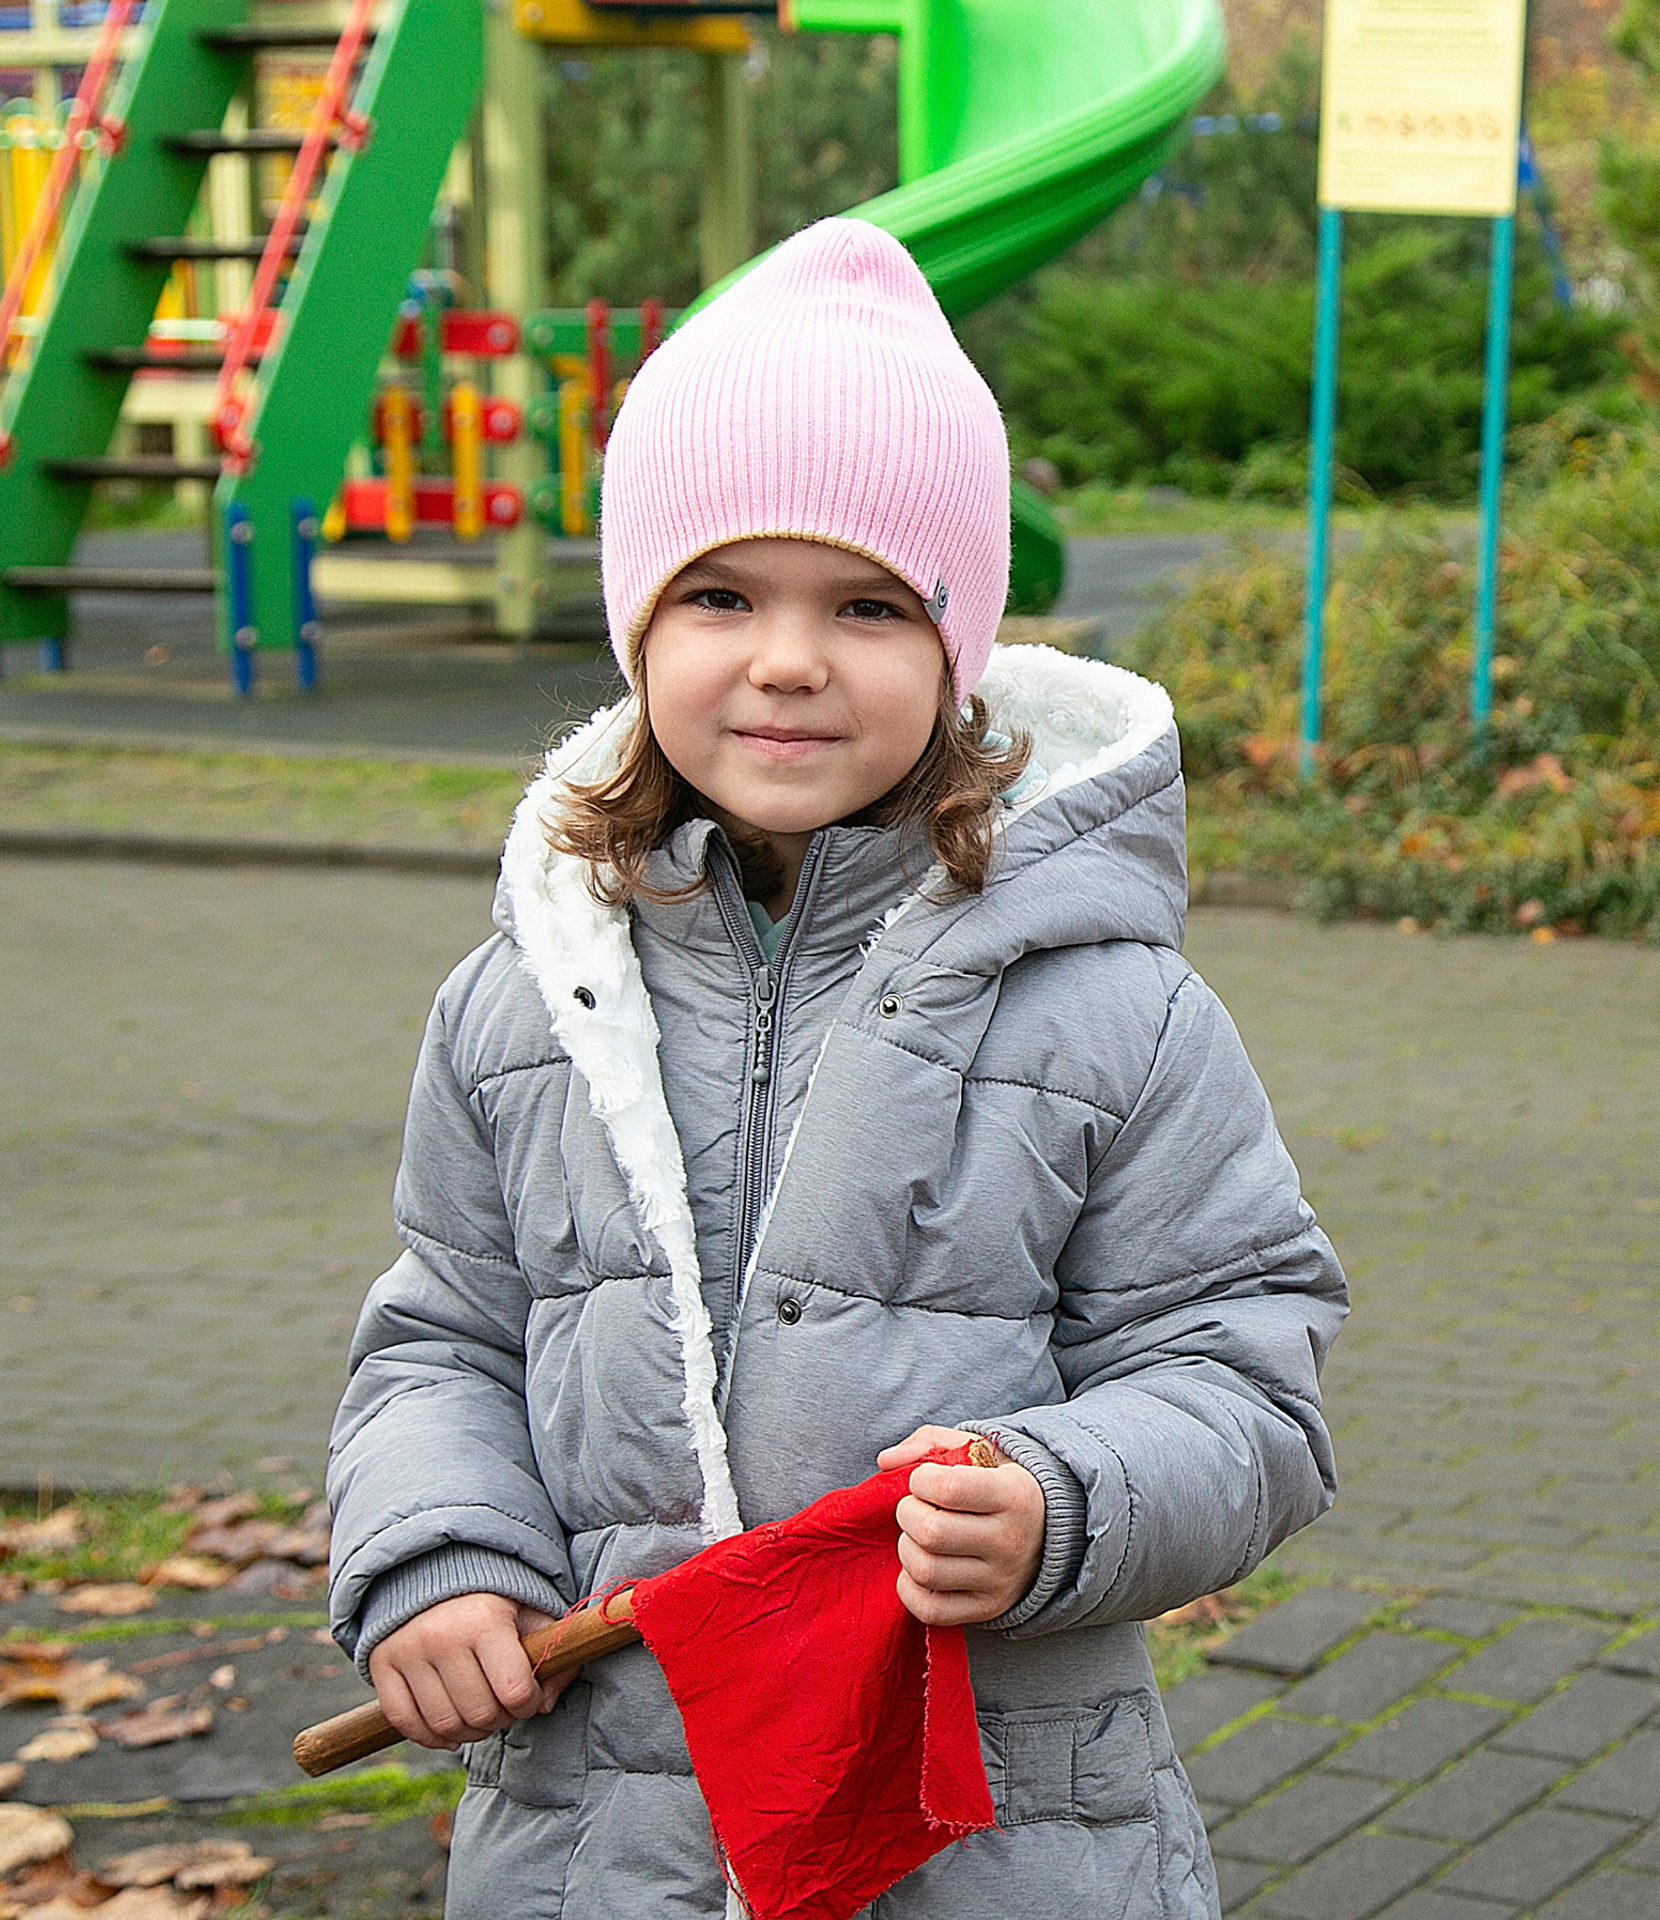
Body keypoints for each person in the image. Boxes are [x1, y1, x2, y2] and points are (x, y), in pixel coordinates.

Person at [326, 216, 1347, 1920]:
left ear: (955, 650)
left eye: (867, 604)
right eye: (720, 594)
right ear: (636, 627)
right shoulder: (522, 1003)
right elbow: (446, 1338)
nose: (788, 657)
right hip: (604, 1838)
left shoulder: (1116, 1012)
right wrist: (439, 1556)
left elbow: (1243, 1378)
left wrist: (1061, 1503)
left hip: (993, 1838)